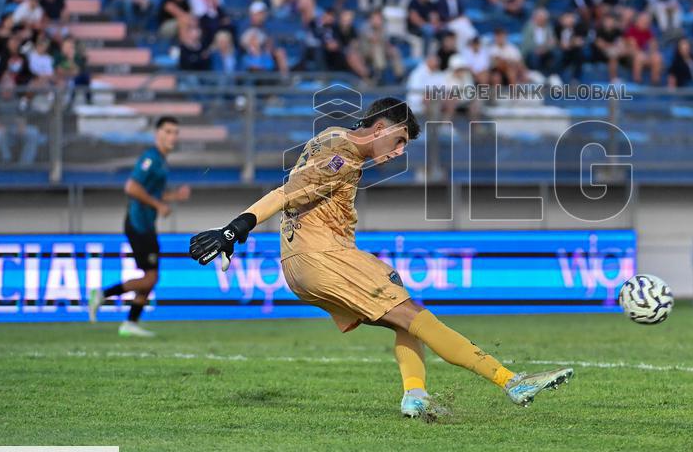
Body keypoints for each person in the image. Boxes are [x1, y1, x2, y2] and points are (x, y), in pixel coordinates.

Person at [188, 98, 574, 418]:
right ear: (380, 129)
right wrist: (234, 228)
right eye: (400, 140)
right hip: (325, 256)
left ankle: (416, 394)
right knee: (413, 315)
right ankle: (509, 380)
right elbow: (286, 193)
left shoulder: (333, 136)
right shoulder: (341, 155)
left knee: (402, 306)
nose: (400, 151)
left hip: (301, 264)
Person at [88, 117, 191, 337]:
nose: (172, 136)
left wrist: (173, 197)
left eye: (175, 132)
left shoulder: (161, 161)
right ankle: (103, 294)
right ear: (158, 134)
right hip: (138, 224)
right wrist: (158, 206)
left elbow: (153, 192)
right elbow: (132, 187)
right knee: (151, 277)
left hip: (146, 224)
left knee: (151, 276)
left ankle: (130, 323)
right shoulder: (150, 158)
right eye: (168, 131)